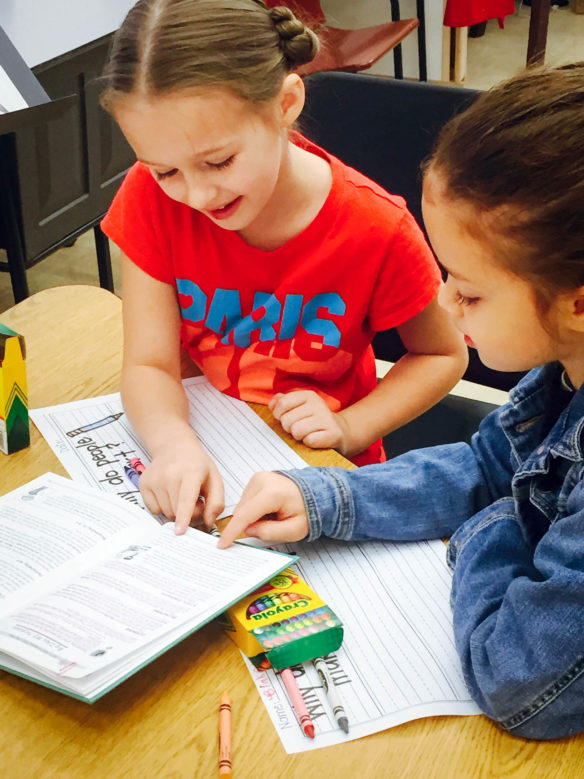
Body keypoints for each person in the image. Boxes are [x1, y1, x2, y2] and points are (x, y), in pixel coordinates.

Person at [219, 62, 584, 739]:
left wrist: (490, 522)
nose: (445, 301)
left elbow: (521, 682)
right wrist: (325, 498)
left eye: (468, 290)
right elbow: (486, 464)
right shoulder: (565, 371)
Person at [99, 0, 467, 532]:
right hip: (206, 455)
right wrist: (173, 446)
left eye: (219, 161)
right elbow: (149, 363)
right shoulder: (151, 201)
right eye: (165, 171)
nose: (198, 194)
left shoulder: (375, 228)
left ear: (286, 103)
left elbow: (441, 354)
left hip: (325, 473)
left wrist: (350, 424)